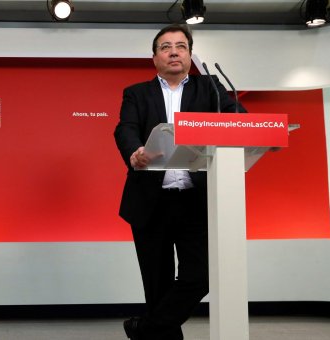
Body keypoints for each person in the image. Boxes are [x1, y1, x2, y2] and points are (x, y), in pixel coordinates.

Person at [114, 24, 245, 340]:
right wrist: (135, 151)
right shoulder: (136, 93)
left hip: (195, 201)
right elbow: (125, 128)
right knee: (156, 284)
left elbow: (240, 117)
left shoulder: (210, 89)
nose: (174, 51)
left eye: (181, 46)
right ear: (155, 57)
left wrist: (251, 127)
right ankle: (160, 334)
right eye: (166, 47)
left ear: (190, 54)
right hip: (150, 201)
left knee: (200, 276)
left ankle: (144, 329)